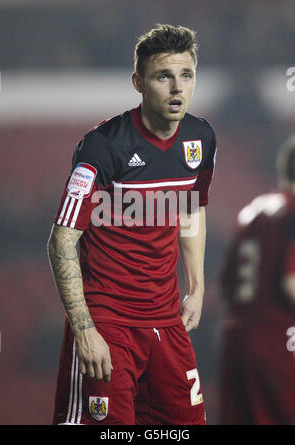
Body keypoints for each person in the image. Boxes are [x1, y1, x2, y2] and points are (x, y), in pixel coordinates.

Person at [48, 24, 217, 425]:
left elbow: (192, 208)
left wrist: (196, 286)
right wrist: (85, 331)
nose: (177, 88)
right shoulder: (103, 146)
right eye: (163, 76)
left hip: (166, 321)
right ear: (138, 82)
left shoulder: (201, 137)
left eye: (186, 75)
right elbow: (62, 240)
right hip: (108, 322)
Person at [218, 135, 295, 425]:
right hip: (279, 340)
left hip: (236, 339)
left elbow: (226, 290)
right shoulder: (293, 212)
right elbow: (291, 282)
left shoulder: (251, 213)